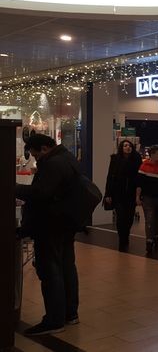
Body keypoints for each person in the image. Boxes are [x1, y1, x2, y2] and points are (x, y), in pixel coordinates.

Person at [15, 134, 80, 335]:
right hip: (66, 223)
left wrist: (13, 188)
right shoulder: (68, 158)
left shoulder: (52, 164)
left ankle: (54, 320)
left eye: (35, 154)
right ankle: (70, 314)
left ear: (44, 148)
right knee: (66, 267)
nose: (34, 158)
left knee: (50, 272)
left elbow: (40, 194)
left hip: (50, 225)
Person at [104, 140, 142, 252]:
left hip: (131, 193)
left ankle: (126, 235)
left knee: (129, 217)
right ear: (121, 147)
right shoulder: (115, 159)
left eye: (130, 145)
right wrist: (108, 194)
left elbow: (139, 177)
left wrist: (139, 194)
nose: (128, 147)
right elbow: (110, 177)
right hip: (118, 193)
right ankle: (122, 239)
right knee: (120, 217)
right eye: (125, 145)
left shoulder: (136, 159)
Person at [135, 145, 158, 253]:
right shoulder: (144, 166)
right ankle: (149, 241)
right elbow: (139, 183)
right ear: (152, 155)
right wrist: (137, 196)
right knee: (150, 219)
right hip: (148, 198)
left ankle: (156, 236)